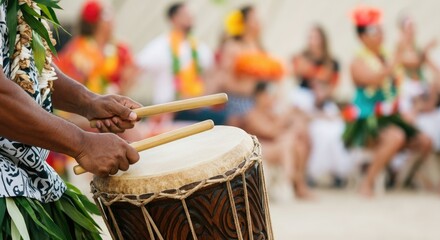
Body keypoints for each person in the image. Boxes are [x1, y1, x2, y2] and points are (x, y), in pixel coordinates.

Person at [0, 1, 141, 238]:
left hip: (31, 178)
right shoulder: (79, 50)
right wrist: (82, 143)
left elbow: (27, 68)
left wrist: (89, 102)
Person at [343, 6, 432, 197]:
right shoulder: (357, 62)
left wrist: (416, 46)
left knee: (424, 142)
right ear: (362, 37)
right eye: (374, 31)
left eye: (380, 29)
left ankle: (402, 179)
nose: (380, 34)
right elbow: (376, 78)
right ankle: (367, 182)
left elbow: (416, 62)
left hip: (390, 116)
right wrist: (397, 56)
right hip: (367, 119)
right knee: (396, 136)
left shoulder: (387, 55)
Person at [137, 2, 226, 124]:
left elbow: (214, 74)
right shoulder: (159, 46)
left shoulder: (199, 47)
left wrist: (200, 98)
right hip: (167, 110)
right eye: (185, 14)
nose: (190, 17)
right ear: (173, 19)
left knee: (224, 119)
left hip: (195, 109)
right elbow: (135, 69)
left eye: (190, 14)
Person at [291, 25, 351, 185]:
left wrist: (323, 93)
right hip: (305, 99)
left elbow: (333, 87)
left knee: (336, 130)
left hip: (324, 101)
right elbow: (297, 74)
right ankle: (311, 172)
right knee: (315, 131)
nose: (312, 41)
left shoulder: (332, 62)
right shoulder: (301, 57)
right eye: (310, 37)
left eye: (315, 37)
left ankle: (337, 171)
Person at [243, 82, 312, 199]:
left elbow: (280, 130)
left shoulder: (270, 113)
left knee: (296, 143)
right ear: (259, 96)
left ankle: (294, 181)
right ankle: (293, 181)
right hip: (259, 150)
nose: (271, 98)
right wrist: (286, 116)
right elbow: (271, 132)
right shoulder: (252, 114)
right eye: (268, 95)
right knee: (288, 142)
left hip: (275, 148)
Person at [56, 0, 139, 96]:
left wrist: (121, 89)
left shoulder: (121, 49)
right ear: (96, 22)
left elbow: (131, 75)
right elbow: (67, 79)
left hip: (116, 104)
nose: (112, 20)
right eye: (106, 15)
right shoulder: (78, 49)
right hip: (82, 106)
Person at [220, 5, 284, 126]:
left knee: (284, 124)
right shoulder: (232, 46)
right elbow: (224, 81)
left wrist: (273, 96)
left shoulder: (261, 50)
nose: (258, 22)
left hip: (259, 102)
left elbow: (276, 74)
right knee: (271, 130)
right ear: (243, 22)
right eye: (254, 18)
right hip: (238, 102)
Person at [396, 15, 440, 151]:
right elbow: (413, 62)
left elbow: (435, 69)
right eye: (408, 27)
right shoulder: (400, 48)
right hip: (408, 94)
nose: (412, 30)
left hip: (422, 91)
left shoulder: (417, 48)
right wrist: (426, 49)